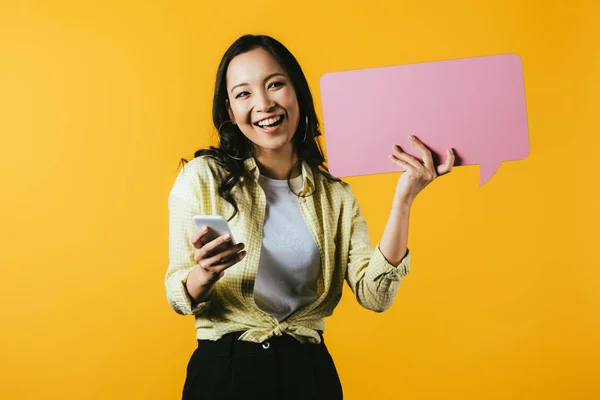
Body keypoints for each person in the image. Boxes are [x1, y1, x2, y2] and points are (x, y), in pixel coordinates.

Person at [165, 34, 454, 400]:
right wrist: (204, 273)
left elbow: (374, 295)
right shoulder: (204, 177)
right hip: (227, 371)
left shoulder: (335, 194)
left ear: (296, 90)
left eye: (275, 84)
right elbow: (177, 293)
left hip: (308, 374)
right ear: (230, 109)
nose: (264, 104)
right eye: (243, 94)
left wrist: (405, 197)